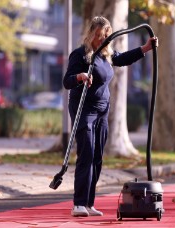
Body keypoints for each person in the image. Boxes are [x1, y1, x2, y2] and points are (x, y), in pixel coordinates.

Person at [63, 16, 158, 217]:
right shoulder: (80, 55)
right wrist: (79, 77)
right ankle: (78, 203)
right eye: (97, 35)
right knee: (86, 153)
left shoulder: (107, 54)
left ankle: (89, 203)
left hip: (102, 110)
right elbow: (67, 81)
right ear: (90, 34)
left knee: (97, 157)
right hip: (83, 110)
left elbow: (122, 59)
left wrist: (145, 49)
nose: (100, 40)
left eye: (104, 36)